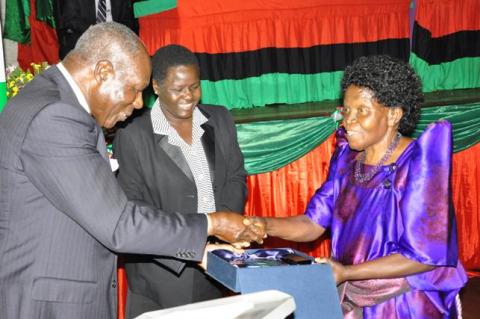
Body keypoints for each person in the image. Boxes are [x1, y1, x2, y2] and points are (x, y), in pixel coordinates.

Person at [0, 22, 264, 319]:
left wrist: (202, 250)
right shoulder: (56, 117)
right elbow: (119, 223)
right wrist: (210, 224)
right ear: (103, 72)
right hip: (51, 305)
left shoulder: (49, 100)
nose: (139, 102)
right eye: (135, 89)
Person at [258, 55, 468, 317]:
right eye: (346, 111)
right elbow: (313, 224)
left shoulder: (418, 164)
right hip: (353, 294)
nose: (348, 121)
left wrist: (347, 272)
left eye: (362, 111)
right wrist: (262, 225)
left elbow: (422, 257)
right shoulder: (347, 159)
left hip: (402, 302)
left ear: (393, 115)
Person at [113, 44, 248, 317]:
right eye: (178, 89)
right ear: (157, 86)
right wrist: (196, 243)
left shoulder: (220, 119)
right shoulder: (133, 135)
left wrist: (223, 231)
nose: (189, 96)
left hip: (215, 269)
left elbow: (236, 177)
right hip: (162, 280)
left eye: (194, 86)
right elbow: (135, 210)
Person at [53, 0, 138, 59]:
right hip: (85, 36)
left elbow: (127, 19)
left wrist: (115, 33)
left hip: (113, 38)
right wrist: (96, 30)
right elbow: (69, 19)